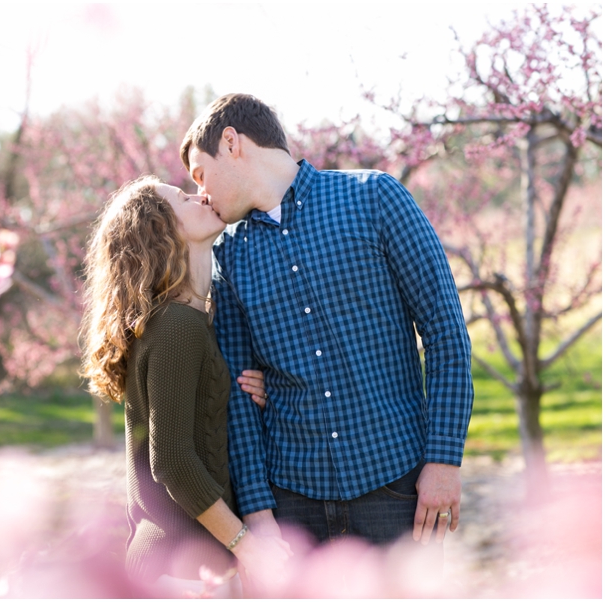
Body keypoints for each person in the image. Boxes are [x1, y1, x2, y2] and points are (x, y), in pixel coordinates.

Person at [179, 94, 474, 553]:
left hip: (396, 490)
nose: (201, 192)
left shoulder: (375, 199)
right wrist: (258, 513)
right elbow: (239, 395)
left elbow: (445, 333)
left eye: (201, 174)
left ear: (232, 143)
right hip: (294, 506)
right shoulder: (229, 254)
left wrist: (444, 459)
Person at [79, 176, 291, 596]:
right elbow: (173, 459)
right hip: (178, 567)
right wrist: (246, 545)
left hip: (183, 564)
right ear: (161, 229)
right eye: (182, 197)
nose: (200, 195)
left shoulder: (191, 319)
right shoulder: (176, 326)